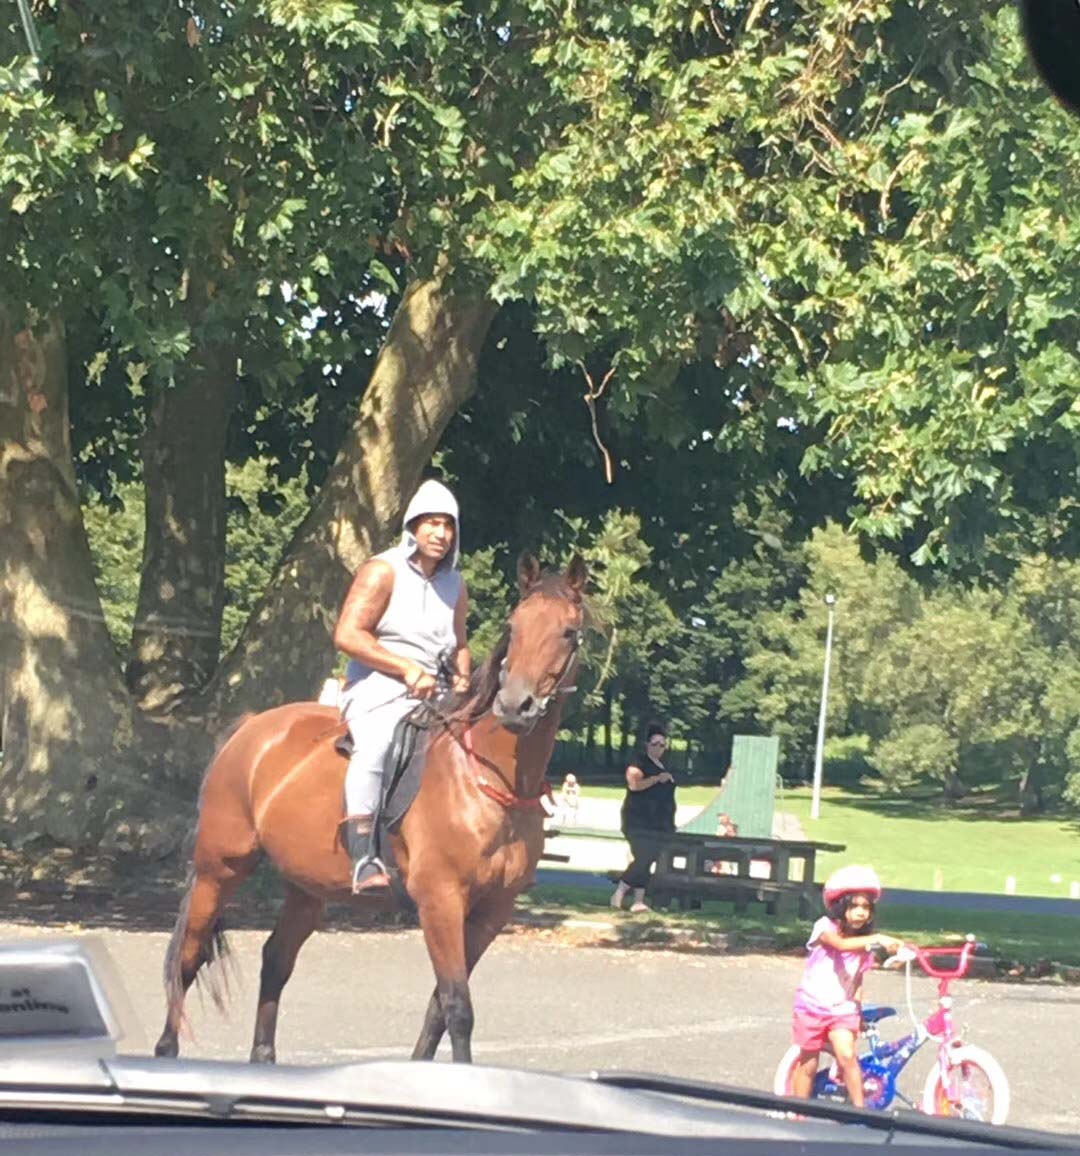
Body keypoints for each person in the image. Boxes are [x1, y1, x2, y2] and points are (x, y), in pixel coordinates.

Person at [333, 479, 471, 894]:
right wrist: (406, 669)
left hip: (437, 691)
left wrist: (463, 675)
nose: (440, 534)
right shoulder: (382, 570)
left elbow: (460, 643)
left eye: (448, 525)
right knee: (376, 746)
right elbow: (348, 634)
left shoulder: (455, 585)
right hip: (378, 685)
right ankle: (363, 856)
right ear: (413, 526)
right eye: (432, 523)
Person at [790, 865, 902, 1107]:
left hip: (842, 1009)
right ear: (841, 907)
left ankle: (860, 1111)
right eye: (854, 906)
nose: (861, 913)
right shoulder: (824, 927)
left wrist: (858, 1007)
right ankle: (797, 1113)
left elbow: (858, 978)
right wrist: (878, 938)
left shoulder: (865, 946)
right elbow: (839, 945)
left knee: (848, 1056)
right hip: (812, 1005)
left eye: (866, 907)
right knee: (808, 1063)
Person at [610, 722, 675, 913]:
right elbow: (634, 785)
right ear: (647, 744)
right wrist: (656, 779)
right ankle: (619, 892)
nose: (659, 749)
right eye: (655, 744)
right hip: (639, 820)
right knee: (643, 857)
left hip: (659, 823)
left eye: (663, 745)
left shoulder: (664, 765)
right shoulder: (638, 762)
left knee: (648, 859)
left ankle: (638, 900)